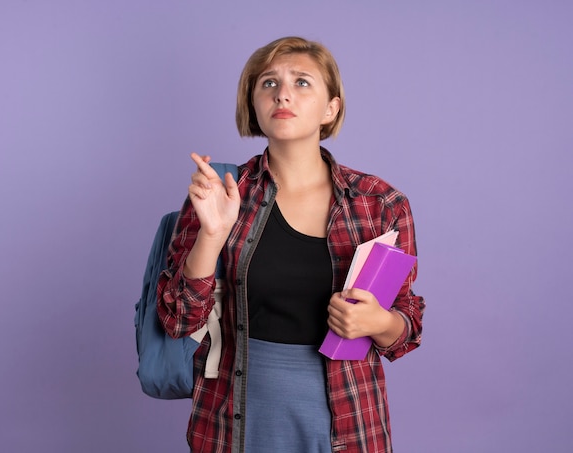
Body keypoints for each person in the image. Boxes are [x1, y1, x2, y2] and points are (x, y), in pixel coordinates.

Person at [157, 36, 425, 453]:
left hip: (348, 419)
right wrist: (211, 234)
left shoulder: (380, 203)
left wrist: (379, 324)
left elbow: (407, 324)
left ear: (330, 108)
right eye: (268, 83)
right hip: (236, 417)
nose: (282, 92)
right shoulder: (224, 192)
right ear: (254, 104)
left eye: (302, 82)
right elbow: (178, 320)